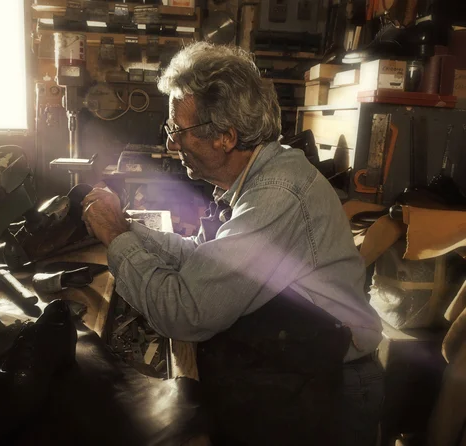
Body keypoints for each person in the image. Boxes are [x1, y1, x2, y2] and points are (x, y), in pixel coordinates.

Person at [81, 42, 384, 446]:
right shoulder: (258, 179)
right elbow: (207, 262)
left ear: (226, 136)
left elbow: (186, 312)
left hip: (328, 391)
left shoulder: (277, 193)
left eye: (177, 130)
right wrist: (129, 230)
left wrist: (116, 239)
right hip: (298, 370)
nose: (172, 144)